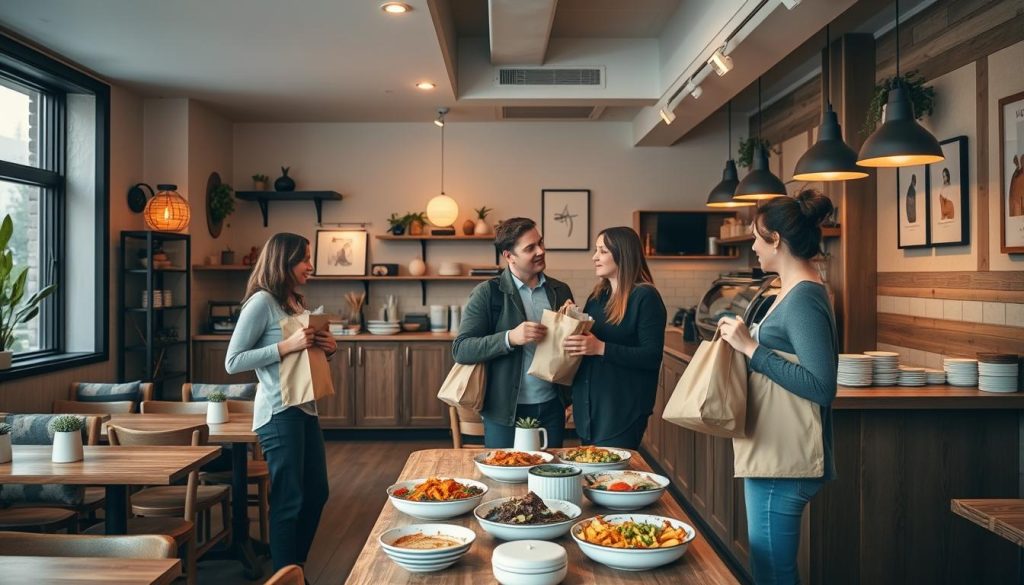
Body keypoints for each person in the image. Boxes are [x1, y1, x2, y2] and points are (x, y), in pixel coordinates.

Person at [717, 190, 839, 584]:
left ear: (776, 241)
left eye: (757, 236)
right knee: (769, 566)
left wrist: (752, 349)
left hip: (783, 462)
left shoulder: (804, 296)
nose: (752, 245)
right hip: (774, 453)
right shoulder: (790, 289)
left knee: (773, 572)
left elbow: (822, 385)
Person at [224, 232, 335, 571]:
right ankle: (287, 576)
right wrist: (287, 346)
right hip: (277, 412)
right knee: (289, 500)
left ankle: (293, 569)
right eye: (304, 259)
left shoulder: (293, 302)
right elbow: (233, 361)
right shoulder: (261, 302)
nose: (310, 265)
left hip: (303, 407)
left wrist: (325, 347)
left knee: (316, 493)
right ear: (283, 262)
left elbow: (300, 359)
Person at [452, 217, 574, 448]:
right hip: (504, 412)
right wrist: (510, 338)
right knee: (504, 479)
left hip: (551, 407)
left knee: (549, 476)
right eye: (530, 248)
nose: (540, 251)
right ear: (509, 256)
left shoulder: (560, 290)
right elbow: (461, 349)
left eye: (540, 243)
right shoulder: (488, 293)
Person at [565, 226, 666, 449]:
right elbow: (588, 346)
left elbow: (651, 356)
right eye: (595, 250)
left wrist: (601, 348)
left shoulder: (645, 296)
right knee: (592, 478)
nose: (594, 257)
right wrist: (571, 320)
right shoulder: (597, 296)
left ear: (622, 254)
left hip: (621, 410)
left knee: (613, 481)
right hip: (589, 409)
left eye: (602, 251)